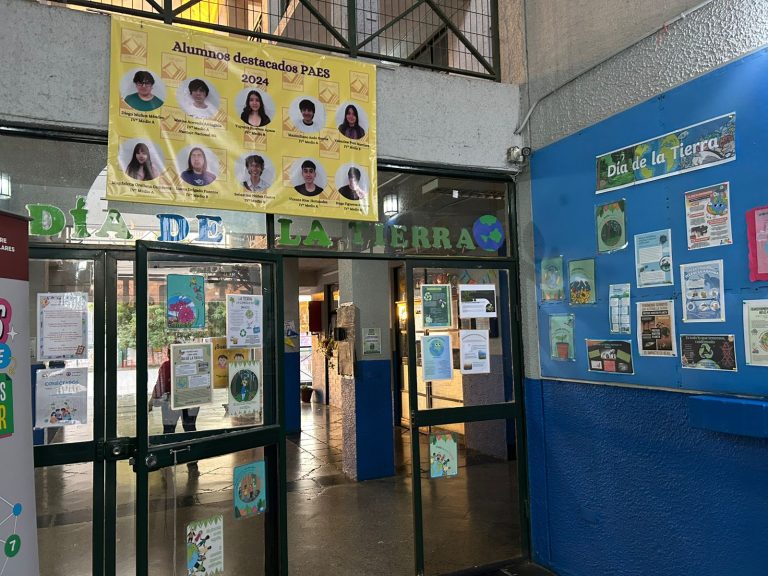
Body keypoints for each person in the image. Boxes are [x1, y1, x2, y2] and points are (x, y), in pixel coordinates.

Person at [151, 345, 199, 473]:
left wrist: (153, 400)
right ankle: (193, 458)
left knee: (169, 430)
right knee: (190, 428)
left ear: (169, 354)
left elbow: (160, 385)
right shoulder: (193, 364)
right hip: (190, 402)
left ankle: (166, 458)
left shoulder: (166, 366)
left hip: (170, 403)